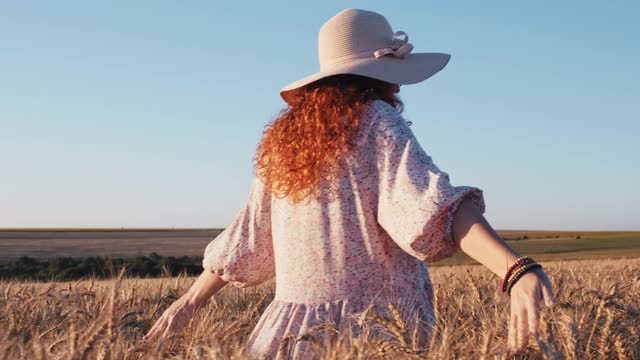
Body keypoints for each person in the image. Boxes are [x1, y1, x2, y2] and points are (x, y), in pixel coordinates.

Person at [139, 8, 557, 358]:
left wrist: (189, 302)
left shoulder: (284, 143)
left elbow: (246, 240)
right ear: (383, 75)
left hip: (286, 337)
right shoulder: (377, 120)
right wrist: (514, 268)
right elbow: (434, 206)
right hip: (372, 334)